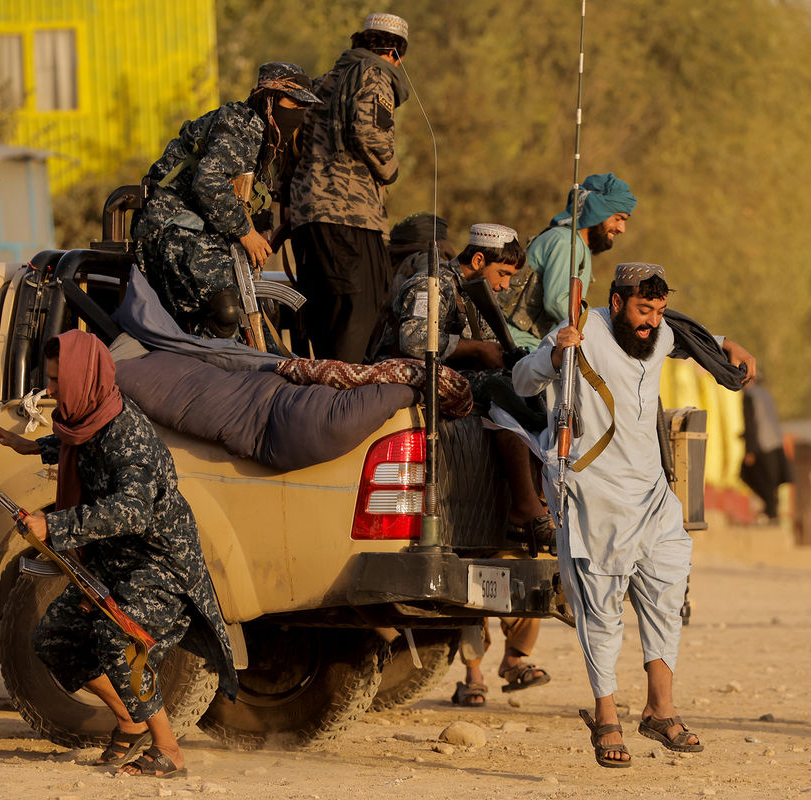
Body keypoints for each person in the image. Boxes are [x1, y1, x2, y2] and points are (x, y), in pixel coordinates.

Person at [512, 263, 755, 767]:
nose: (653, 322)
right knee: (601, 608)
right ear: (618, 303)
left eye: (659, 311)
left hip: (653, 493)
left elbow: (688, 336)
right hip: (594, 493)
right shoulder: (585, 330)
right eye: (644, 310)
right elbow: (521, 382)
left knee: (668, 594)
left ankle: (659, 711)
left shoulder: (661, 333)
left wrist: (728, 345)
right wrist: (557, 355)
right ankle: (606, 717)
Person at [0, 330, 237, 777]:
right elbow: (78, 444)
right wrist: (32, 446)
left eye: (60, 380)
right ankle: (128, 718)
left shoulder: (127, 436)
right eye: (52, 378)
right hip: (114, 558)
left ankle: (168, 749)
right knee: (55, 640)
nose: (53, 390)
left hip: (158, 562)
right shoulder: (92, 413)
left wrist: (53, 525)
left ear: (85, 379)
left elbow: (132, 512)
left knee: (118, 637)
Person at [378, 223, 556, 705]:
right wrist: (479, 350)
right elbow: (417, 344)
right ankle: (533, 503)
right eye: (500, 274)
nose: (502, 286)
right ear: (478, 262)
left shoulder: (468, 292)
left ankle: (536, 500)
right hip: (417, 377)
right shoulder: (432, 284)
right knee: (508, 394)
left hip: (454, 380)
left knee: (527, 400)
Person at [133, 62, 320, 339]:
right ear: (268, 99)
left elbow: (253, 196)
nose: (298, 115)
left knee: (257, 324)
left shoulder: (266, 142)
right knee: (226, 309)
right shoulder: (239, 126)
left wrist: (261, 232)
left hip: (206, 230)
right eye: (293, 104)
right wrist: (246, 234)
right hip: (171, 227)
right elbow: (209, 183)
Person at [288, 12, 409, 364]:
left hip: (308, 217)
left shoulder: (321, 81)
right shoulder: (374, 75)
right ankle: (342, 402)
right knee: (361, 311)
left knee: (325, 318)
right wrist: (390, 171)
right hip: (350, 216)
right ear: (395, 54)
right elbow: (370, 135)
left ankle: (323, 396)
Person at [498, 173, 636, 350]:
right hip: (515, 343)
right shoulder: (567, 243)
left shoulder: (576, 245)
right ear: (596, 211)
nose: (622, 229)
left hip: (532, 344)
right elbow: (558, 302)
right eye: (617, 219)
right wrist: (604, 329)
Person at [739, 383, 792, 519]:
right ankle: (771, 510)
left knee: (746, 474)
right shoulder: (765, 394)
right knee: (771, 481)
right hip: (775, 442)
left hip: (761, 445)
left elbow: (751, 423)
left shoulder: (749, 396)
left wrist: (749, 450)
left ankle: (771, 507)